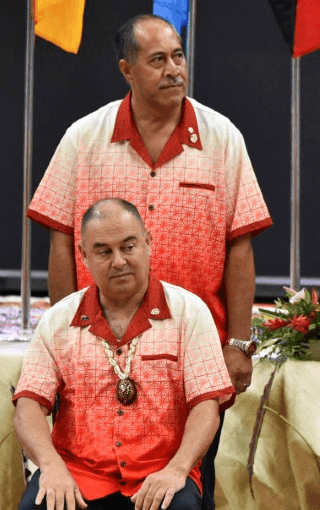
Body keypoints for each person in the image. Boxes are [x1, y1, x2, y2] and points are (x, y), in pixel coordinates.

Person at [25, 14, 272, 507]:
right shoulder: (83, 139)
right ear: (127, 70)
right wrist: (64, 334)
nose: (174, 70)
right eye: (157, 60)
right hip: (97, 348)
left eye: (178, 56)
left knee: (187, 488)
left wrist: (239, 342)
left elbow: (240, 245)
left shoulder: (223, 138)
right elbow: (59, 240)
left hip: (194, 351)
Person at [14, 198, 234, 510]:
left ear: (147, 242)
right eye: (104, 251)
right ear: (84, 256)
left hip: (160, 473)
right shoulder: (59, 319)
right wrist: (50, 466)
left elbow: (206, 407)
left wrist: (177, 469)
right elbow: (29, 405)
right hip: (77, 474)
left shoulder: (189, 312)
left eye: (128, 247)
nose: (118, 261)